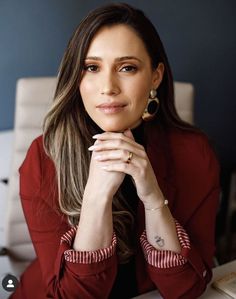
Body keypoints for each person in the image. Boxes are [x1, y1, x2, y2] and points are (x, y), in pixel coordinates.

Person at [11, 3, 220, 299]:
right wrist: (97, 196)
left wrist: (152, 196)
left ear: (155, 77)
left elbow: (185, 289)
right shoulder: (44, 158)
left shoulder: (194, 154)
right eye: (92, 67)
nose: (107, 87)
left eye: (127, 68)